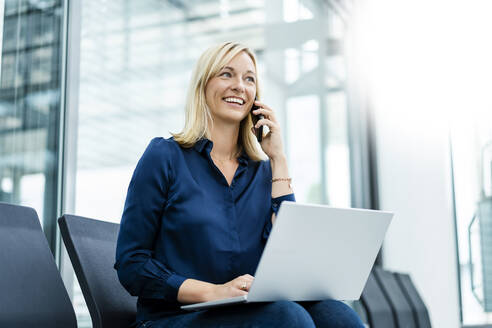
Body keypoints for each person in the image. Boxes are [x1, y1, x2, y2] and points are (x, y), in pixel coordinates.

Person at [115, 41, 364, 328]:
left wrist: (278, 158)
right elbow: (131, 263)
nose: (239, 86)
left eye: (249, 79)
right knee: (287, 318)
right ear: (203, 85)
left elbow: (291, 261)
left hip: (245, 313)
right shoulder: (164, 156)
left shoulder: (263, 172)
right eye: (226, 74)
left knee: (337, 316)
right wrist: (214, 292)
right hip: (174, 318)